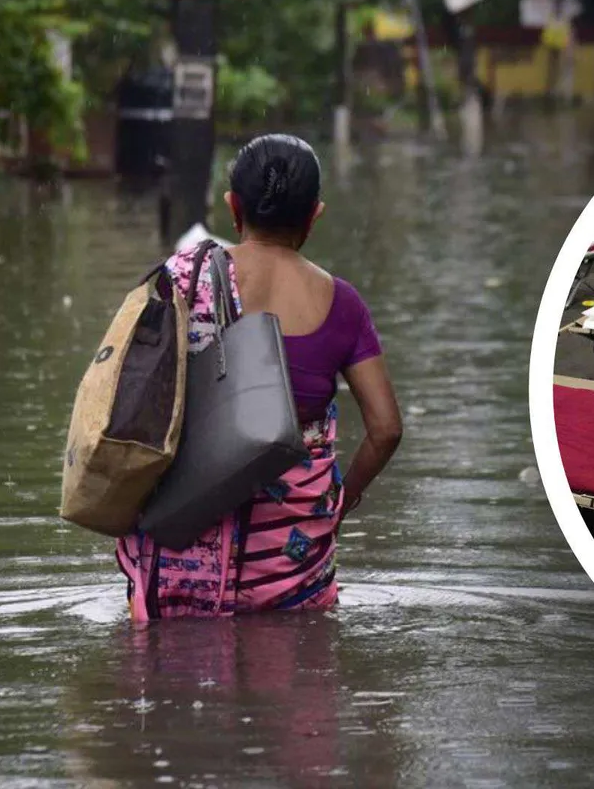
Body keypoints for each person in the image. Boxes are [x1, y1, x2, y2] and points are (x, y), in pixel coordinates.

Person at [117, 134, 403, 621]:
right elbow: (386, 429)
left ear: (234, 207)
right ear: (315, 214)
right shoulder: (343, 304)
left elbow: (128, 395)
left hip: (179, 548)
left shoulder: (181, 278)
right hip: (288, 567)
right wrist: (342, 499)